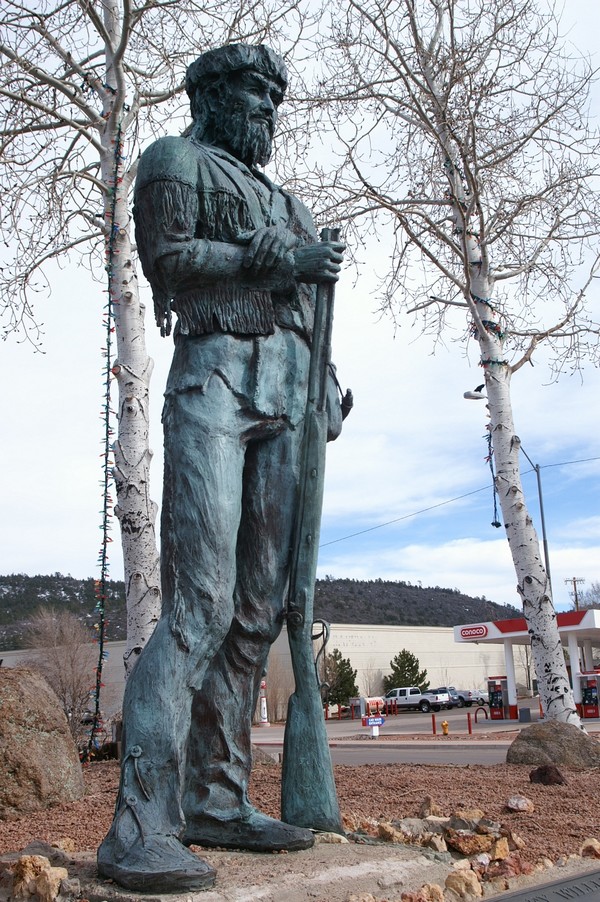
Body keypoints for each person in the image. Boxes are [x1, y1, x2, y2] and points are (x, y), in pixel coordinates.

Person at [97, 44, 345, 892]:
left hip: (286, 402)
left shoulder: (291, 204)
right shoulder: (175, 162)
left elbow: (313, 312)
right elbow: (169, 260)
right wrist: (270, 259)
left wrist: (330, 391)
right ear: (210, 96)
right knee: (198, 605)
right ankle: (139, 825)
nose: (266, 115)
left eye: (276, 103)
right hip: (212, 389)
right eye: (253, 99)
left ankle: (217, 799)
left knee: (255, 614)